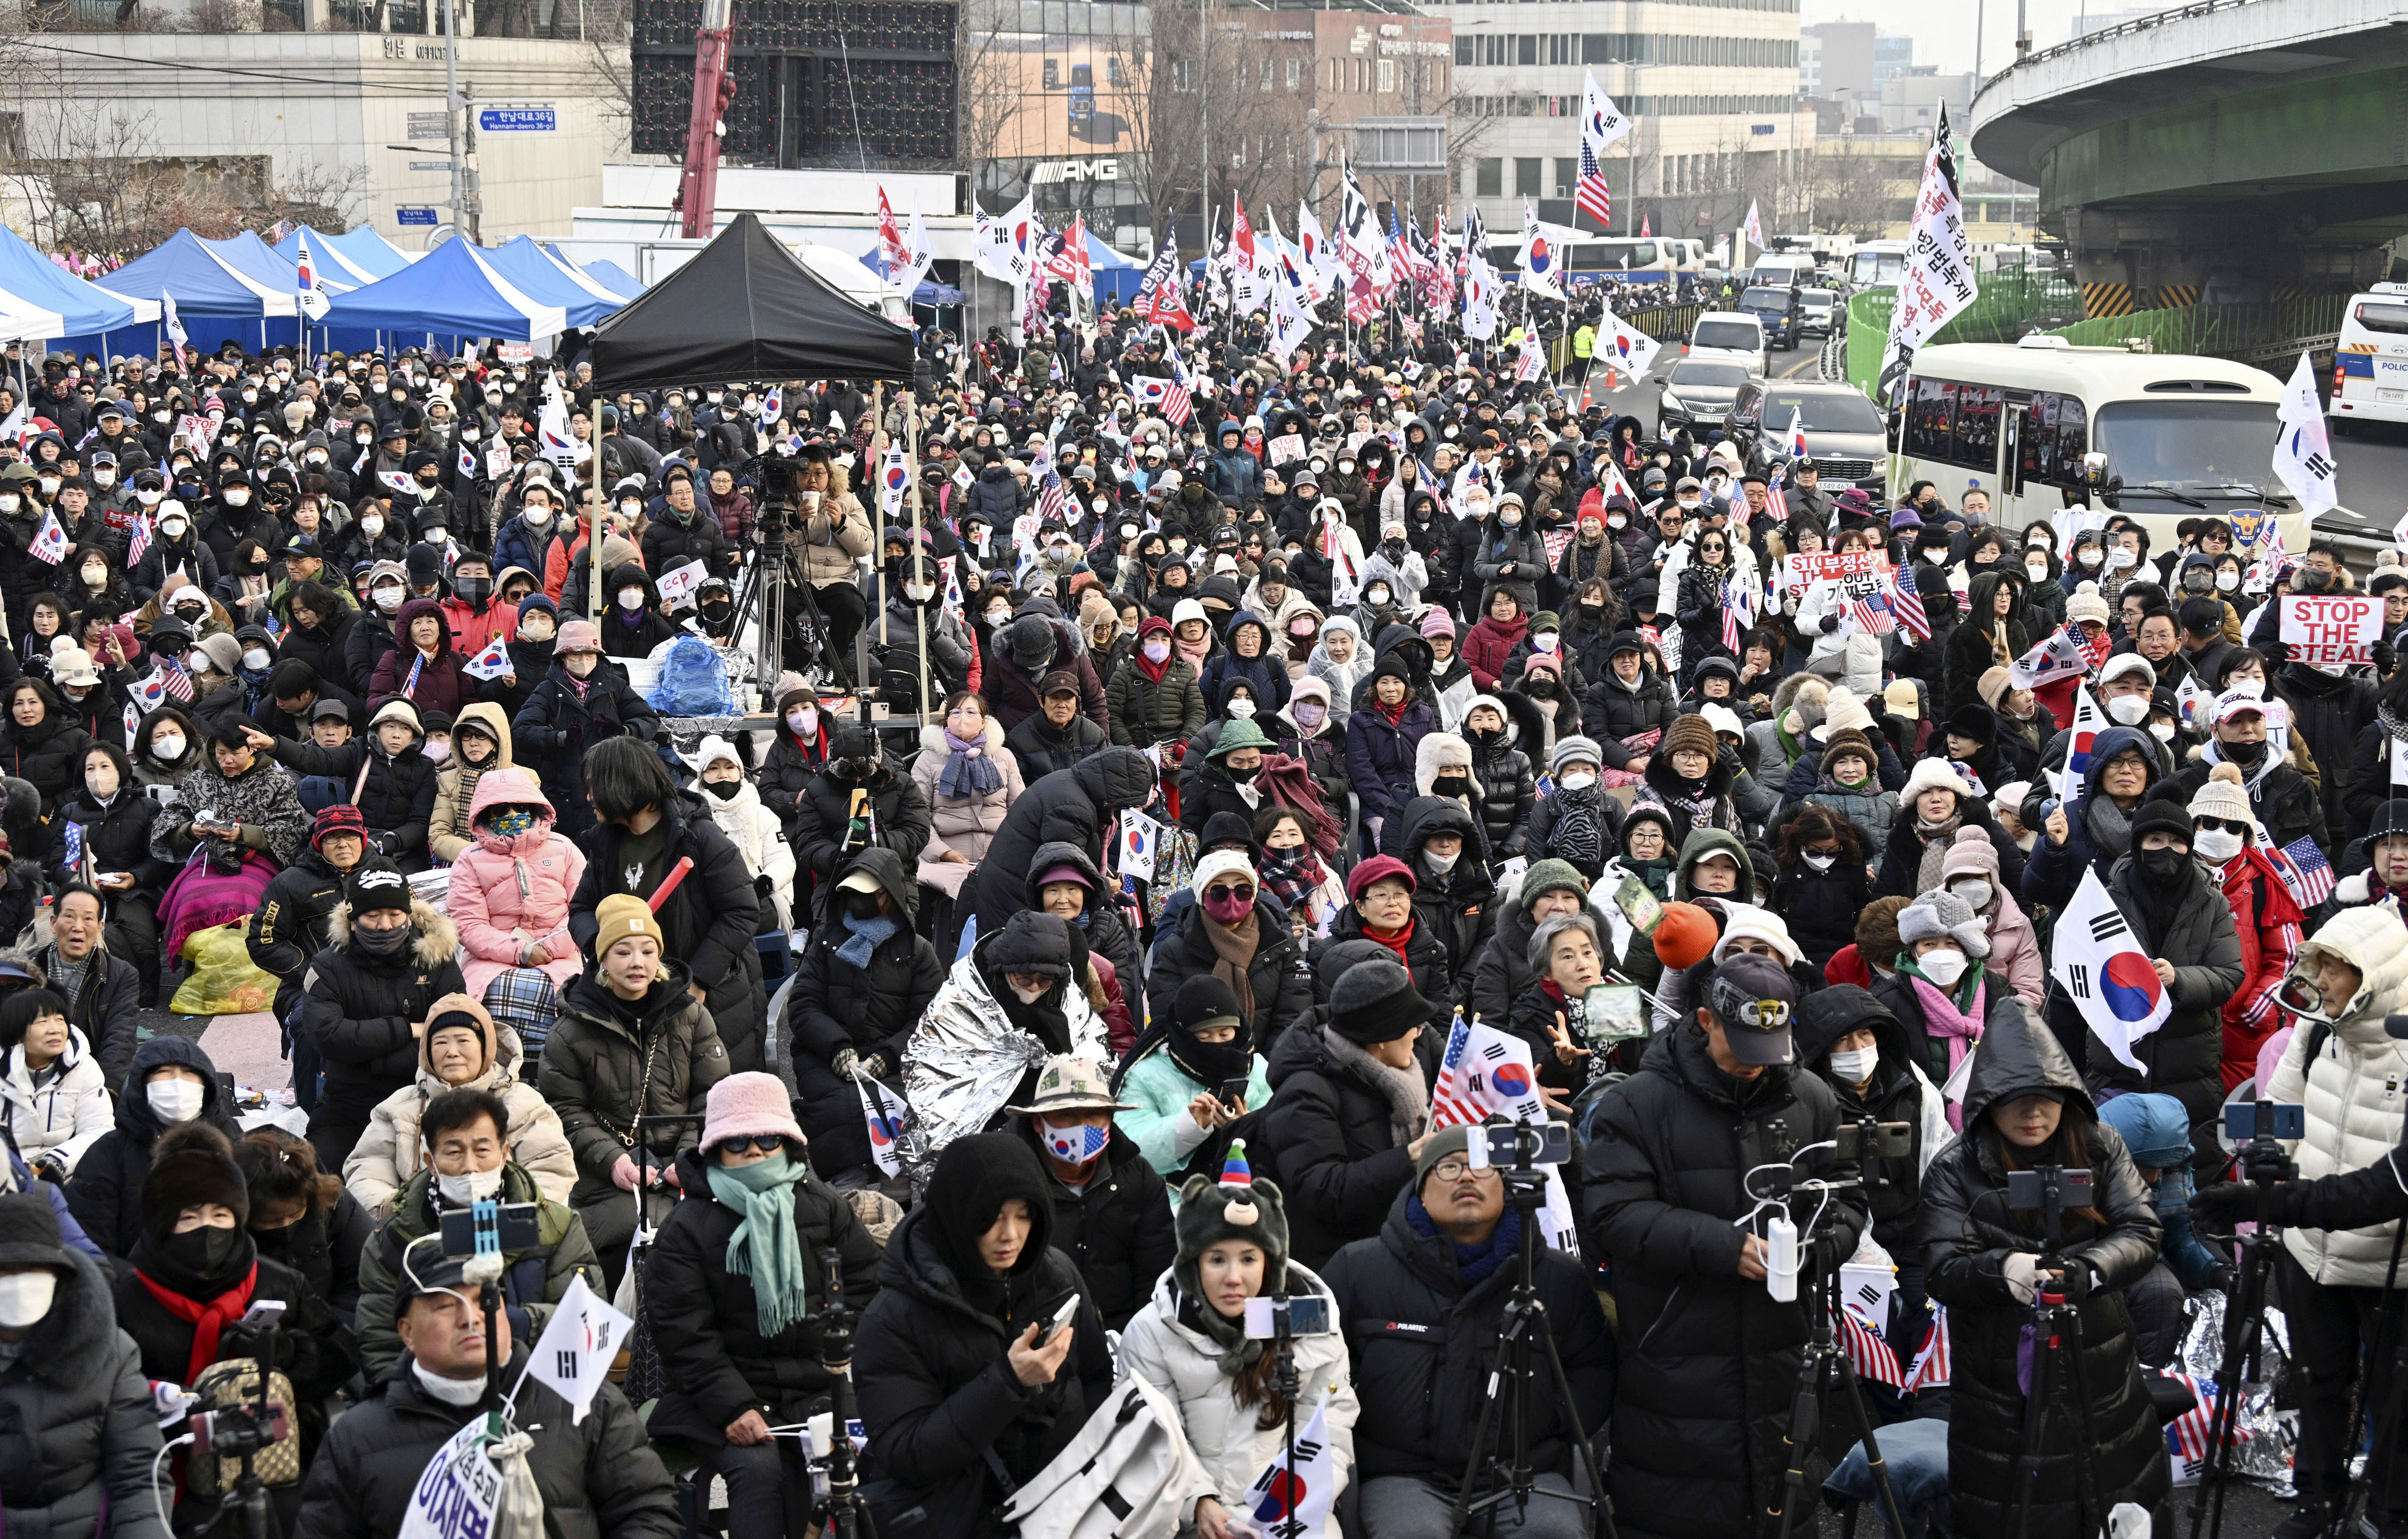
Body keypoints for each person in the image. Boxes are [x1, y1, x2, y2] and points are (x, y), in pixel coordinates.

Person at [1582, 953, 1867, 1539]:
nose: (1755, 1067)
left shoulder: (1812, 1098)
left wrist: (1816, 1249)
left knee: (1782, 1506)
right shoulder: (1637, 1103)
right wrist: (1724, 1247)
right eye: (1740, 1047)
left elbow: (1849, 1202)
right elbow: (1614, 1214)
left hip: (1783, 1343)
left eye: (1769, 1050)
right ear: (1706, 1020)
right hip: (1676, 1348)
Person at [1919, 1008, 2170, 1538]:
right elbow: (1943, 1269)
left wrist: (2089, 1269)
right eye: (2015, 1097)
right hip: (1999, 1385)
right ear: (1988, 1101)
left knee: (2113, 1498)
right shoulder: (1953, 1168)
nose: (2033, 1111)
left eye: (2047, 1095)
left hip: (2100, 1364)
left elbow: (2142, 1231)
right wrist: (2003, 1269)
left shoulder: (2100, 1146)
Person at [1324, 1122, 1612, 1538]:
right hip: (1403, 1475)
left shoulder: (1554, 1276)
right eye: (1448, 1166)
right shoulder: (1358, 1270)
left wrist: (1550, 1424)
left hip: (1524, 1472)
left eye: (1483, 1166)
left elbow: (1595, 1366)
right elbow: (1316, 1366)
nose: (1466, 1175)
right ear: (1421, 1189)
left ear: (1507, 1185)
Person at [293, 1233, 680, 1539]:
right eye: (445, 1305)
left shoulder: (580, 1401)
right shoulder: (357, 1437)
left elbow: (646, 1510)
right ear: (406, 1333)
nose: (471, 1318)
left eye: (485, 1301)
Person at [645, 1072, 883, 1539]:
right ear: (715, 1148)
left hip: (818, 1385)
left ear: (788, 1142)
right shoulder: (687, 1227)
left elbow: (866, 1287)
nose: (754, 1150)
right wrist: (734, 1407)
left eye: (768, 1137)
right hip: (723, 1395)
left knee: (884, 1446)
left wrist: (843, 1356)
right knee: (760, 1469)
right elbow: (684, 1334)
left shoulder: (826, 1206)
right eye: (738, 1141)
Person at [853, 1131, 1115, 1537]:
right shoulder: (894, 1317)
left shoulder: (1057, 1275)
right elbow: (907, 1452)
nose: (1010, 1234)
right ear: (958, 1214)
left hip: (1063, 1509)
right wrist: (1008, 1381)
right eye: (991, 1216)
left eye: (1024, 1213)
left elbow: (1096, 1377)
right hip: (960, 1519)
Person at [112, 1122, 356, 1529]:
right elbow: (107, 1396)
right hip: (173, 1467)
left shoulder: (277, 1281)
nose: (207, 1228)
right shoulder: (127, 1297)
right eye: (189, 1217)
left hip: (279, 1458)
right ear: (162, 1223)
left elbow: (343, 1354)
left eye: (220, 1214)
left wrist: (288, 1353)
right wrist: (159, 1397)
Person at [2251, 905, 2408, 1537]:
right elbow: (2279, 1109)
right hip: (2309, 1246)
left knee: (2392, 1400)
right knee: (2317, 1381)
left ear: (2372, 975)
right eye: (2312, 964)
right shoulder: (2315, 1032)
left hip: (2389, 1258)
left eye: (2330, 968)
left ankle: (2390, 1509)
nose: (2316, 979)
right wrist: (2265, 1175)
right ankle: (2315, 1498)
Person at [1120, 1154, 1359, 1539]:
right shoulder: (1151, 1331)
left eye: (1249, 1259)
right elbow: (1151, 1438)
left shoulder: (1314, 1326)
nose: (1234, 1278)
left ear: (1271, 1263)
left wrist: (1295, 1503)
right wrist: (1198, 1503)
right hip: (1184, 1517)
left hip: (1288, 1516)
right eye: (1217, 1260)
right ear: (1193, 1265)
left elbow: (1332, 1432)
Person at [350, 1085, 601, 1382]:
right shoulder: (394, 1241)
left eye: (482, 1151)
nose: (470, 1167)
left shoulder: (555, 1226)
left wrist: (514, 1322)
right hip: (431, 1395)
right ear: (431, 1163)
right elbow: (381, 1345)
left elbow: (587, 1321)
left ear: (505, 1153)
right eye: (454, 1152)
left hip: (538, 1383)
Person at [544, 893, 731, 1290]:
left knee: (720, 1231)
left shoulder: (691, 1015)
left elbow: (714, 1094)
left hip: (690, 1161)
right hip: (606, 1173)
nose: (637, 962)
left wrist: (691, 1156)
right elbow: (565, 1110)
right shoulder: (571, 1030)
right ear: (602, 961)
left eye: (648, 950)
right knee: (621, 1234)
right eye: (623, 951)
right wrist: (615, 1162)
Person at [567, 736, 767, 1074]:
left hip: (712, 1000)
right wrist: (604, 950)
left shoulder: (698, 837)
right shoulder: (605, 842)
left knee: (712, 1105)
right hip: (633, 997)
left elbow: (742, 911)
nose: (589, 797)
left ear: (622, 784)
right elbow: (582, 909)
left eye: (594, 786)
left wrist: (699, 978)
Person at [0, 1192, 169, 1539]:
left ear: (60, 1277)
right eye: (4, 1272)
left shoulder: (111, 1353)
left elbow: (138, 1475)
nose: (16, 1284)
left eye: (31, 1269)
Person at [1261, 958, 1438, 1270]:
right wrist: (1406, 1160)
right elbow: (1321, 1189)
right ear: (1382, 1036)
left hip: (1396, 1247)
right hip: (1335, 1268)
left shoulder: (1397, 1074)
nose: (1419, 1033)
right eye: (1413, 1024)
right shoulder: (1306, 1090)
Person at [343, 991, 573, 1221]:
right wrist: (395, 1210)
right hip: (417, 1232)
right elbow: (368, 1167)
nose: (452, 1052)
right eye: (441, 1042)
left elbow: (551, 1165)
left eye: (463, 1041)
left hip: (508, 1228)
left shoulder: (523, 1103)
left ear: (485, 1046)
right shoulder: (400, 1107)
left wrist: (521, 1214)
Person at [788, 849, 945, 1181]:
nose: (857, 900)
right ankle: (848, 1183)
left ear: (887, 896)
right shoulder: (826, 943)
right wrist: (836, 1047)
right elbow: (804, 1005)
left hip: (899, 1060)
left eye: (865, 894)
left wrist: (889, 1055)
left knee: (893, 1103)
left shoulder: (918, 951)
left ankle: (897, 1182)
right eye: (851, 893)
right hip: (824, 1056)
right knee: (839, 1107)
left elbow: (931, 1017)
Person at [294, 864, 465, 1170]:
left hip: (424, 1096)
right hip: (348, 1102)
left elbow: (451, 1034)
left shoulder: (436, 959)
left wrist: (365, 1056)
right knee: (318, 1176)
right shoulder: (328, 966)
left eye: (395, 915)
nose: (385, 925)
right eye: (372, 916)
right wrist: (410, 1029)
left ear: (408, 916)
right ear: (354, 921)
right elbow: (328, 1036)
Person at [1006, 1055, 1173, 1332]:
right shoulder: (1010, 1178)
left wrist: (1140, 1337)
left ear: (1110, 1118)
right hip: (1032, 1334)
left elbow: (1156, 1274)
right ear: (1038, 1123)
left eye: (1094, 1114)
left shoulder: (1138, 1176)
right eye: (1066, 1115)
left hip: (1123, 1331)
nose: (1082, 1127)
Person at [442, 766, 586, 1063]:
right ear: (484, 814)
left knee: (574, 1000)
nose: (510, 814)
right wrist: (519, 951)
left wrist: (546, 947)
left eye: (519, 807)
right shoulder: (469, 861)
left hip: (560, 953)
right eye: (498, 809)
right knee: (491, 994)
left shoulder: (565, 849)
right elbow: (468, 925)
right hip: (491, 960)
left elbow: (582, 909)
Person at [65, 1034, 237, 1259]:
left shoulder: (233, 1144)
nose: (177, 1083)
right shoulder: (107, 1155)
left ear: (207, 1084)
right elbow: (92, 1246)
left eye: (189, 1073)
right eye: (163, 1073)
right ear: (141, 1084)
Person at [1148, 848, 1315, 1055]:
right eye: (1219, 891)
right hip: (1195, 1070)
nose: (1232, 899)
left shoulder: (1282, 944)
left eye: (1242, 890)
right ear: (1202, 896)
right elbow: (1168, 1020)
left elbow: (1293, 1017)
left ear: (1254, 895)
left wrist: (1263, 1074)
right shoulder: (1175, 949)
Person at [509, 619, 660, 842]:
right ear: (563, 657)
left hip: (612, 789)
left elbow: (649, 719)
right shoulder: (548, 689)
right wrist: (560, 738)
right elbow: (521, 730)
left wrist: (623, 732)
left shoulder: (614, 686)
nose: (583, 661)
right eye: (576, 655)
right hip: (565, 796)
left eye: (590, 655)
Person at [47, 741, 166, 1009]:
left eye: (104, 766)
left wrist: (134, 878)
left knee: (140, 937)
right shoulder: (72, 813)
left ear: (120, 770)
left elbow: (159, 858)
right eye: (90, 768)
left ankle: (146, 995)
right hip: (87, 890)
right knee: (104, 934)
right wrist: (79, 880)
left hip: (135, 889)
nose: (97, 774)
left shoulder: (147, 808)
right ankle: (113, 996)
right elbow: (59, 862)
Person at [30, 884, 139, 1094]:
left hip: (90, 1074)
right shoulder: (27, 971)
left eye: (88, 919)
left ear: (100, 927)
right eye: (69, 917)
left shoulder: (122, 974)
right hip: (32, 1071)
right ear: (53, 922)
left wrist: (106, 1091)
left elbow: (120, 1039)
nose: (78, 927)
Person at [0, 989, 111, 1181]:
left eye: (60, 1020)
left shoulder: (84, 1067)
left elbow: (98, 1128)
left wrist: (57, 1161)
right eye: (42, 1022)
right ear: (16, 1030)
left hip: (66, 1168)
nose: (55, 1029)